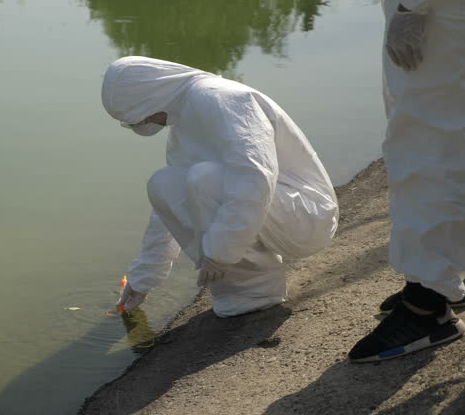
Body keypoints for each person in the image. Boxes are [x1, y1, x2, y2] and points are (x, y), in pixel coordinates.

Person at [104, 56, 339, 318]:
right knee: (163, 184)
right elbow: (168, 211)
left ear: (149, 95)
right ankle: (237, 288)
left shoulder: (221, 98)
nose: (145, 124)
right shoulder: (182, 121)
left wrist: (220, 251)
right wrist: (142, 278)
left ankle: (257, 290)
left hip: (307, 217)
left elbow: (256, 176)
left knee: (204, 178)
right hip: (273, 211)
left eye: (138, 117)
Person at [348, 0, 465, 362]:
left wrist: (413, 3)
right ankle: (450, 267)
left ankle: (428, 305)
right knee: (448, 134)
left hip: (439, 5)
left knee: (427, 146)